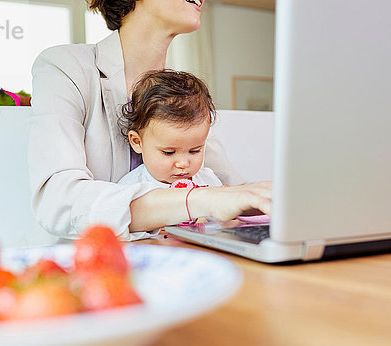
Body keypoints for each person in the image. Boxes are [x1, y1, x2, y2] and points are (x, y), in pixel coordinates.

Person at [28, 0, 271, 241]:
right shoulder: (66, 67)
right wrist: (199, 200)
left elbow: (234, 191)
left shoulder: (182, 97)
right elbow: (56, 201)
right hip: (100, 267)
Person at [117, 69, 222, 189]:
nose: (183, 164)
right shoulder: (130, 188)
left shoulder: (209, 180)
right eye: (169, 152)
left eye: (194, 151)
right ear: (137, 142)